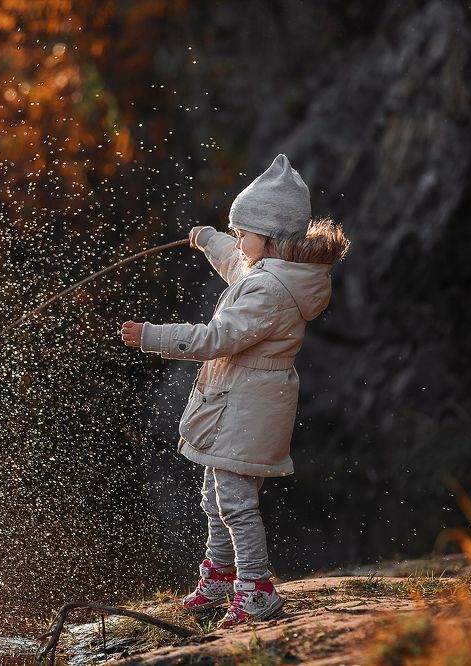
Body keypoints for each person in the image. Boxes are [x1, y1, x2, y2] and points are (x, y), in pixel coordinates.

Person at [121, 154, 351, 628]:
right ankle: (221, 576)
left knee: (236, 503)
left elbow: (215, 339)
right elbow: (238, 263)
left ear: (269, 236)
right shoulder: (269, 271)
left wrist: (152, 336)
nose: (239, 240)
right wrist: (210, 240)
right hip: (239, 401)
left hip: (248, 406)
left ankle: (256, 589)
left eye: (243, 231)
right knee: (215, 496)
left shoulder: (269, 290)